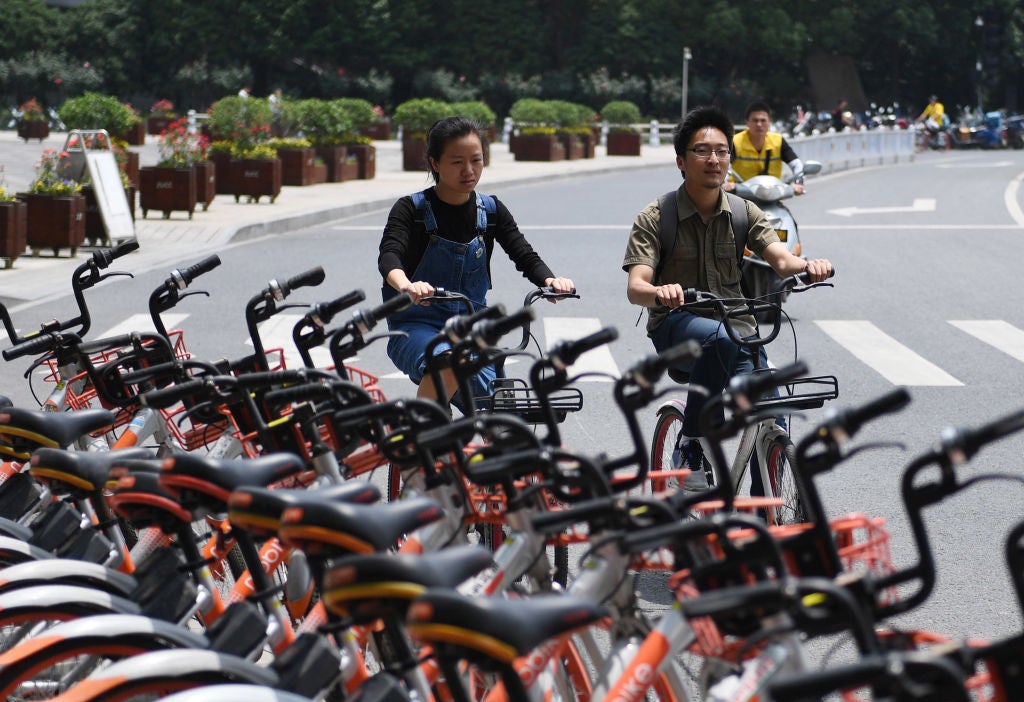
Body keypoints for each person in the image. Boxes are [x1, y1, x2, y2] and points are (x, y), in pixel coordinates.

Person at [622, 106, 832, 489]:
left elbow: (781, 260)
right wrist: (660, 291)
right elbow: (637, 287)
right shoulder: (657, 216)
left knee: (771, 410)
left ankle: (764, 511)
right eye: (702, 151)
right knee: (714, 338)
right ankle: (689, 444)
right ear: (681, 162)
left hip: (739, 328)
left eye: (721, 151)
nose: (714, 159)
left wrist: (807, 265)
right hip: (677, 325)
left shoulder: (743, 212)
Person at [379, 116, 574, 410]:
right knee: (446, 361)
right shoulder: (411, 210)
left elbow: (523, 252)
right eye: (457, 162)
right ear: (435, 163)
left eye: (476, 160)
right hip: (417, 328)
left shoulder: (492, 210)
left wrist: (549, 281)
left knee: (505, 417)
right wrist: (406, 285)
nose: (469, 170)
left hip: (472, 334)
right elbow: (389, 255)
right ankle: (423, 439)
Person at [725, 101, 806, 195]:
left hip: (773, 196)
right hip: (741, 198)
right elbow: (725, 165)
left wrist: (798, 183)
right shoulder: (735, 141)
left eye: (763, 120)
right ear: (746, 122)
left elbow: (796, 164)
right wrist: (726, 183)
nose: (759, 124)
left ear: (769, 122)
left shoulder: (778, 141)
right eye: (755, 120)